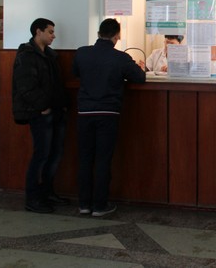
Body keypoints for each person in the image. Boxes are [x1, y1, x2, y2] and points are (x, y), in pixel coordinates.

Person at [73, 18, 146, 217]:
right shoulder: (121, 58)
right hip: (108, 113)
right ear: (117, 36)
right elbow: (140, 78)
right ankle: (100, 205)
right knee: (103, 159)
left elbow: (76, 73)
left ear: (98, 34)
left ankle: (84, 204)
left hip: (84, 112)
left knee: (85, 158)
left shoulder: (82, 53)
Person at [12, 18, 69, 213]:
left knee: (55, 154)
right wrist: (42, 107)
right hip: (41, 113)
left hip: (56, 111)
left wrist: (61, 105)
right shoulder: (27, 55)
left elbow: (56, 84)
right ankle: (33, 198)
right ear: (38, 32)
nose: (54, 36)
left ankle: (47, 192)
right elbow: (25, 87)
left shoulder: (50, 55)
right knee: (41, 155)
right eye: (50, 32)